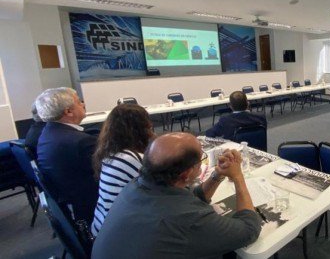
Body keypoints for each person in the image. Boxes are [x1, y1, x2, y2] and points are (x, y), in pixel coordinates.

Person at [91, 133, 261, 258]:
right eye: (201, 159)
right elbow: (249, 229)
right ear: (186, 174)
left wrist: (217, 175)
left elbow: (192, 198)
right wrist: (238, 176)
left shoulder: (136, 186)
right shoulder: (188, 218)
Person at [35, 87, 98, 224]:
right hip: (92, 205)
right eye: (78, 102)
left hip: (72, 199)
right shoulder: (79, 142)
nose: (83, 104)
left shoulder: (48, 134)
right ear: (68, 111)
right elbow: (110, 168)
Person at [90, 104, 155, 237]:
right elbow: (162, 191)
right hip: (117, 234)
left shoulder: (111, 152)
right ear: (141, 129)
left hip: (103, 225)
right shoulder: (130, 158)